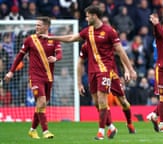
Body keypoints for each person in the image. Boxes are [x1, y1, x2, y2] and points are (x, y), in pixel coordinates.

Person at [41, 5, 136, 140]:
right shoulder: (87, 34)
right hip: (92, 72)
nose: (85, 18)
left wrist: (129, 69)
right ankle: (111, 127)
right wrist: (52, 38)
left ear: (94, 16)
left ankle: (112, 129)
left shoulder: (109, 32)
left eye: (87, 16)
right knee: (97, 103)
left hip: (107, 71)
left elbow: (120, 51)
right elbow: (71, 39)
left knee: (121, 101)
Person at [4, 17, 62, 139]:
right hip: (35, 77)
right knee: (41, 101)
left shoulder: (53, 39)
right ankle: (45, 131)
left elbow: (59, 53)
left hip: (49, 77)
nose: (36, 27)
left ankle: (32, 130)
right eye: (36, 25)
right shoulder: (30, 40)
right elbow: (19, 57)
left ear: (46, 27)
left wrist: (55, 58)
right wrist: (11, 72)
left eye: (39, 25)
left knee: (42, 104)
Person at [78, 42, 136, 134]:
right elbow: (80, 62)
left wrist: (126, 70)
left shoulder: (105, 40)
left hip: (111, 74)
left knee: (123, 101)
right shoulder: (85, 46)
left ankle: (129, 123)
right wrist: (79, 82)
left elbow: (121, 53)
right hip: (94, 75)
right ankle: (111, 127)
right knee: (98, 103)